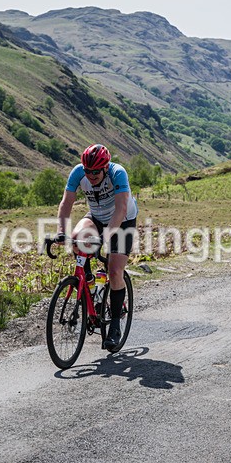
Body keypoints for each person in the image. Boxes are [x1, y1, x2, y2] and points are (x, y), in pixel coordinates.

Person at [56, 144, 138, 350]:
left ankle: (116, 325)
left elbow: (120, 209)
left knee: (115, 269)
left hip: (123, 219)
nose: (90, 175)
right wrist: (60, 231)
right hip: (96, 216)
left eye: (95, 172)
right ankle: (90, 284)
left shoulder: (117, 173)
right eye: (87, 171)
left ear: (104, 168)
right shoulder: (78, 172)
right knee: (76, 239)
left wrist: (105, 237)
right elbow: (66, 203)